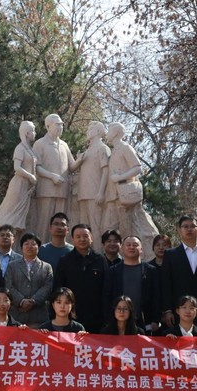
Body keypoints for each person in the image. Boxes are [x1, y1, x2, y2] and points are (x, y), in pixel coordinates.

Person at [0, 120, 38, 238]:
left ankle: (14, 239)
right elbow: (17, 168)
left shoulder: (30, 149)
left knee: (19, 215)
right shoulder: (20, 148)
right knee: (9, 212)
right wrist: (30, 176)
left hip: (27, 187)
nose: (35, 133)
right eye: (33, 131)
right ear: (26, 133)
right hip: (19, 184)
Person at [104, 122, 159, 255]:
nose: (107, 133)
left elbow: (137, 168)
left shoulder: (125, 148)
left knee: (129, 228)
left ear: (115, 133)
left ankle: (140, 254)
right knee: (112, 227)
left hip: (126, 194)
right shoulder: (114, 150)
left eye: (109, 130)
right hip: (115, 195)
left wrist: (120, 177)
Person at [162, 215, 197, 332]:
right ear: (180, 231)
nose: (189, 229)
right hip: (178, 311)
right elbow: (166, 284)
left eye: (193, 226)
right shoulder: (170, 254)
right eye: (185, 226)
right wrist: (167, 310)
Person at [39, 287, 87, 391]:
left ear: (72, 305)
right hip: (52, 370)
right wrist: (40, 336)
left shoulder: (78, 328)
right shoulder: (44, 328)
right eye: (59, 302)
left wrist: (84, 338)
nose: (62, 306)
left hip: (71, 370)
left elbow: (85, 353)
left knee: (74, 369)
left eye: (67, 303)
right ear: (52, 304)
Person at [31, 114, 79, 243]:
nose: (60, 127)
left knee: (62, 223)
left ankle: (61, 247)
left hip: (63, 190)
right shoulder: (40, 144)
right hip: (46, 190)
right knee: (44, 222)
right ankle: (41, 248)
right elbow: (37, 167)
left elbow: (72, 166)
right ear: (48, 126)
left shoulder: (64, 145)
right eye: (57, 124)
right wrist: (52, 176)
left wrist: (82, 158)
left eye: (62, 125)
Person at [53, 224, 108, 333]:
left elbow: (107, 289)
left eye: (85, 236)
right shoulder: (65, 261)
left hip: (96, 318)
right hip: (70, 317)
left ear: (91, 238)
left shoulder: (100, 260)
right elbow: (58, 289)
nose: (82, 239)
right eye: (78, 237)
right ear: (73, 239)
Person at [103, 235, 160, 334]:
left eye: (135, 245)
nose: (131, 247)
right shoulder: (113, 271)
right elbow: (106, 297)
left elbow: (157, 296)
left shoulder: (151, 270)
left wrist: (156, 319)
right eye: (128, 245)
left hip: (144, 321)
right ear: (122, 248)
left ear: (141, 249)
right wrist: (108, 320)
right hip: (119, 322)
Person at [101, 296, 144, 391]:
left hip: (132, 372)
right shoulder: (105, 332)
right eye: (119, 308)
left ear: (130, 312)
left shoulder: (138, 332)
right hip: (112, 374)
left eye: (125, 309)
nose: (121, 312)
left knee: (137, 376)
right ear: (114, 310)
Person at [5, 232, 53, 328]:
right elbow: (8, 286)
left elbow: (47, 287)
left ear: (38, 247)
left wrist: (33, 301)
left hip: (38, 316)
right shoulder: (12, 266)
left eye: (33, 244)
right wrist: (21, 301)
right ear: (21, 247)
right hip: (16, 315)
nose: (30, 246)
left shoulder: (47, 267)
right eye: (26, 244)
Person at [76, 121, 110, 251]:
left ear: (97, 131)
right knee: (83, 229)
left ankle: (98, 255)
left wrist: (101, 192)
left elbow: (106, 171)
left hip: (95, 194)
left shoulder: (102, 148)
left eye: (90, 129)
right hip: (83, 194)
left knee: (96, 228)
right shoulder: (87, 151)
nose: (87, 131)